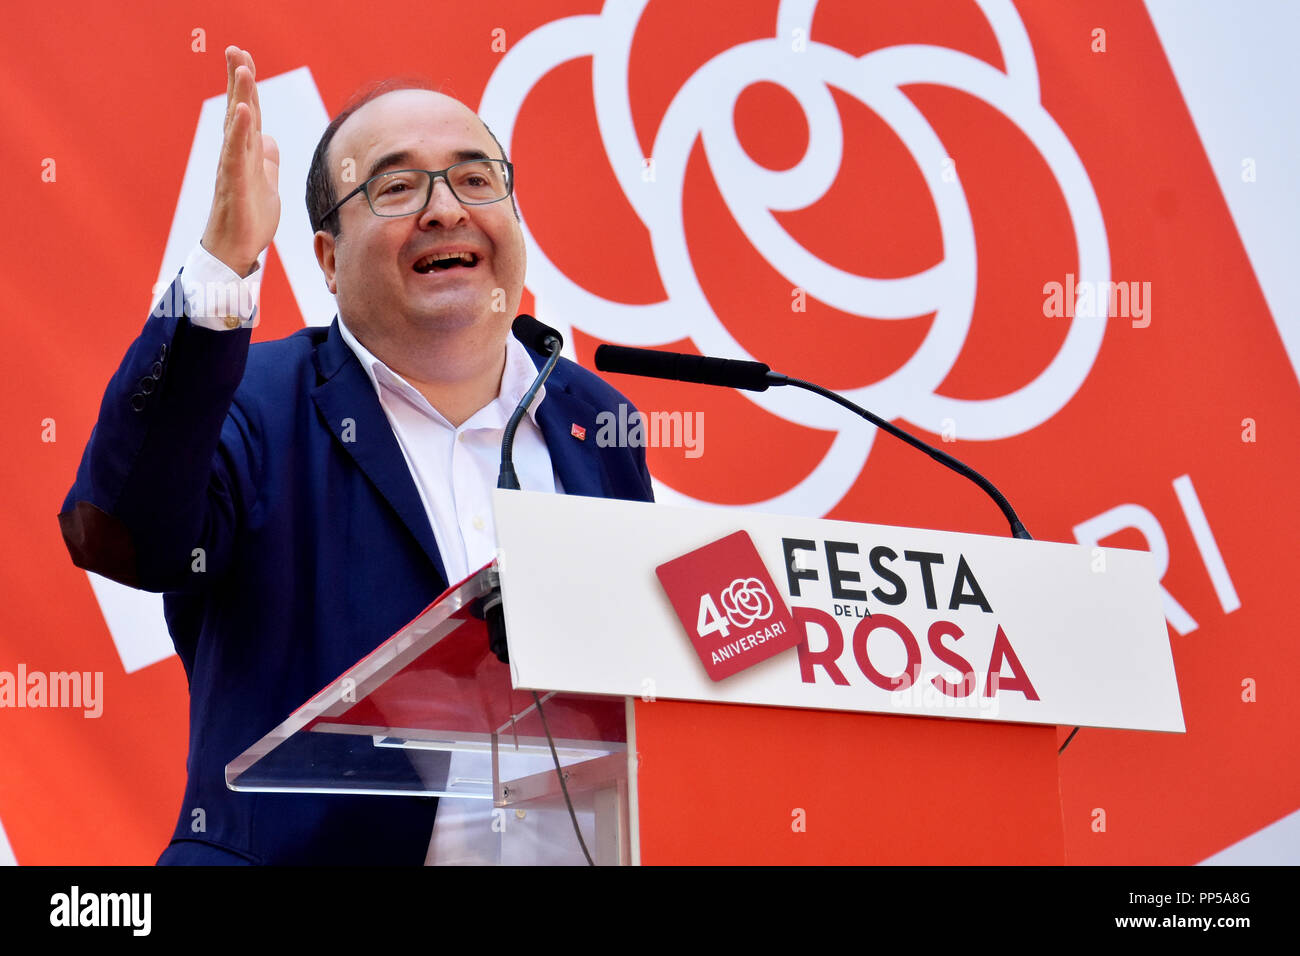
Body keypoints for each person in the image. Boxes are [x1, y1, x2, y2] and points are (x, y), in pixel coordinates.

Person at [58, 47, 653, 865]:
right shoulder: (251, 401)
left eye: (476, 179)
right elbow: (126, 534)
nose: (446, 210)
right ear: (330, 262)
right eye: (397, 187)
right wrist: (221, 270)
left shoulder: (596, 419)